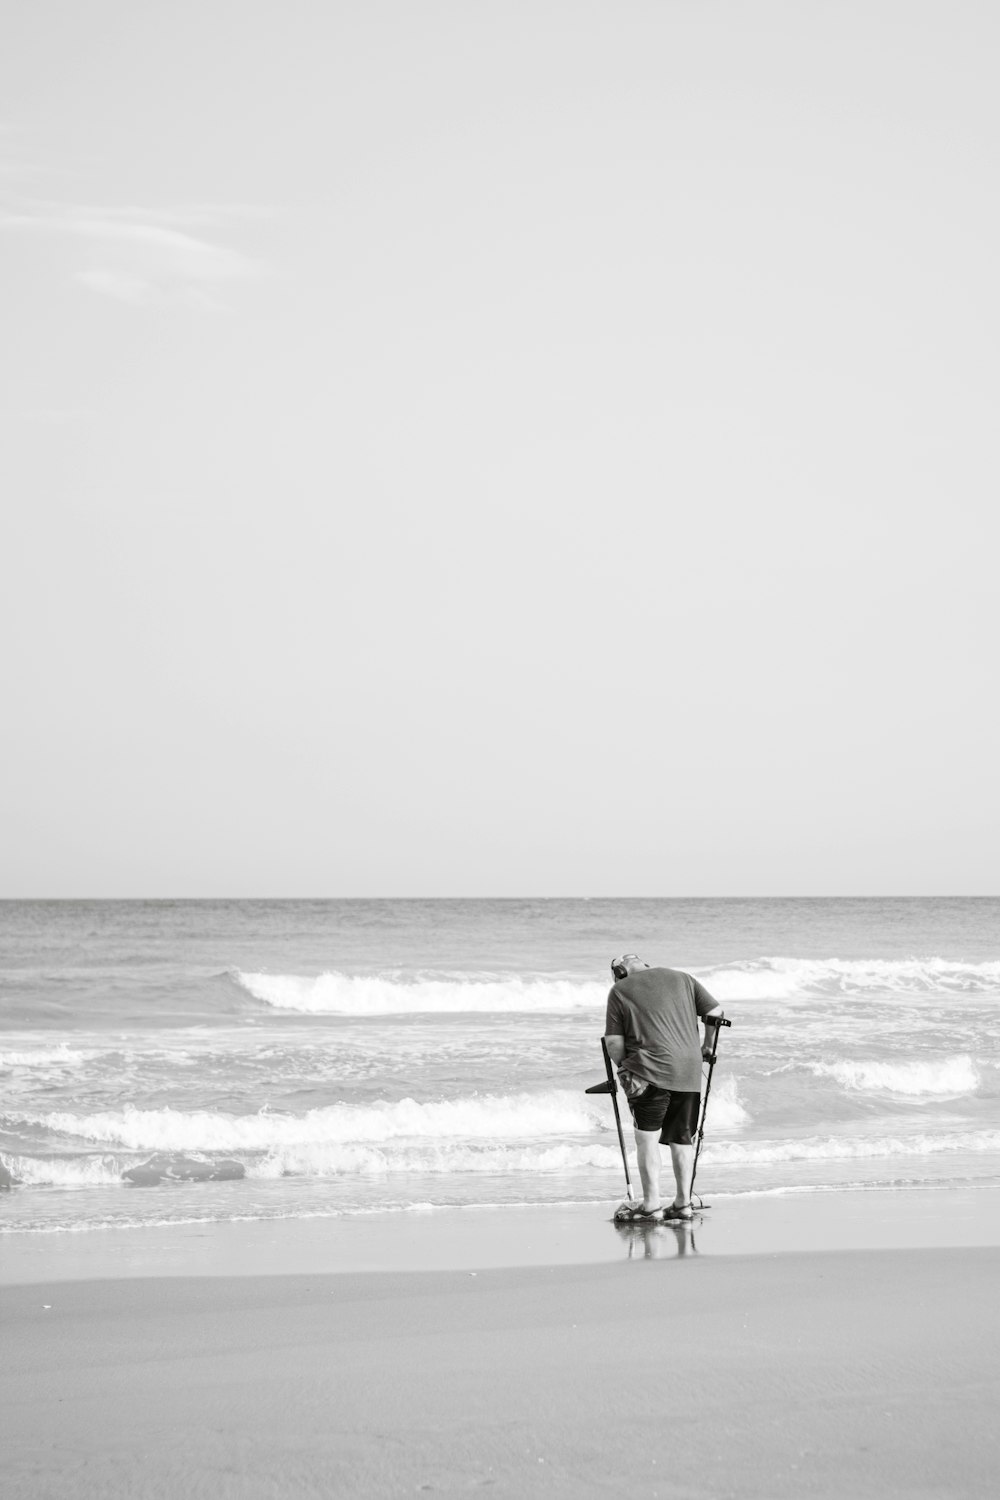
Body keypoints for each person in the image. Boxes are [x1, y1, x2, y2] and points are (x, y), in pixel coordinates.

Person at [604, 952, 724, 1222]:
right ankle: (683, 1204)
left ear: (620, 971)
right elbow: (715, 1013)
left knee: (646, 1139)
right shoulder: (683, 978)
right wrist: (706, 1046)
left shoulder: (620, 989)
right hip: (689, 1071)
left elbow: (613, 1043)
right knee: (682, 1139)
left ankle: (651, 1205)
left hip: (648, 1072)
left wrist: (624, 1066)